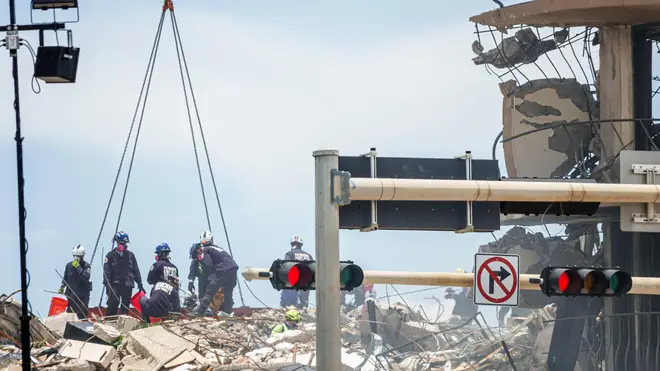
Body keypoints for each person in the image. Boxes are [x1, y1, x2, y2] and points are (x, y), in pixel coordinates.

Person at [189, 231, 239, 316]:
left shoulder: (205, 250)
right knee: (228, 293)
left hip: (222, 270)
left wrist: (210, 279)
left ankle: (200, 311)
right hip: (233, 270)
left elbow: (209, 265)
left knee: (209, 291)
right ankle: (227, 313)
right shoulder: (217, 249)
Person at [103, 231, 145, 316]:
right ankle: (109, 321)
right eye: (122, 243)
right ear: (117, 242)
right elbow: (106, 273)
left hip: (127, 285)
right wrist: (109, 287)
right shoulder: (110, 256)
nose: (124, 245)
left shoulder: (130, 255)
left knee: (125, 307)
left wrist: (140, 284)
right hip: (115, 285)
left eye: (125, 244)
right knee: (113, 304)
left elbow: (136, 270)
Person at [58, 244, 92, 319]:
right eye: (75, 256)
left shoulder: (86, 266)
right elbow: (65, 278)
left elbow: (85, 277)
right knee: (70, 313)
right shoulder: (69, 266)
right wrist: (62, 286)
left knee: (81, 314)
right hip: (71, 295)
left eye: (78, 257)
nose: (76, 258)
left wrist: (78, 268)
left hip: (82, 296)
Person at [281, 235, 313, 309]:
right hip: (306, 282)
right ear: (301, 245)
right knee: (304, 303)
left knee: (288, 305)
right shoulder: (308, 255)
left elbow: (285, 267)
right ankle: (304, 310)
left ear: (291, 244)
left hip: (293, 281)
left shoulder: (289, 254)